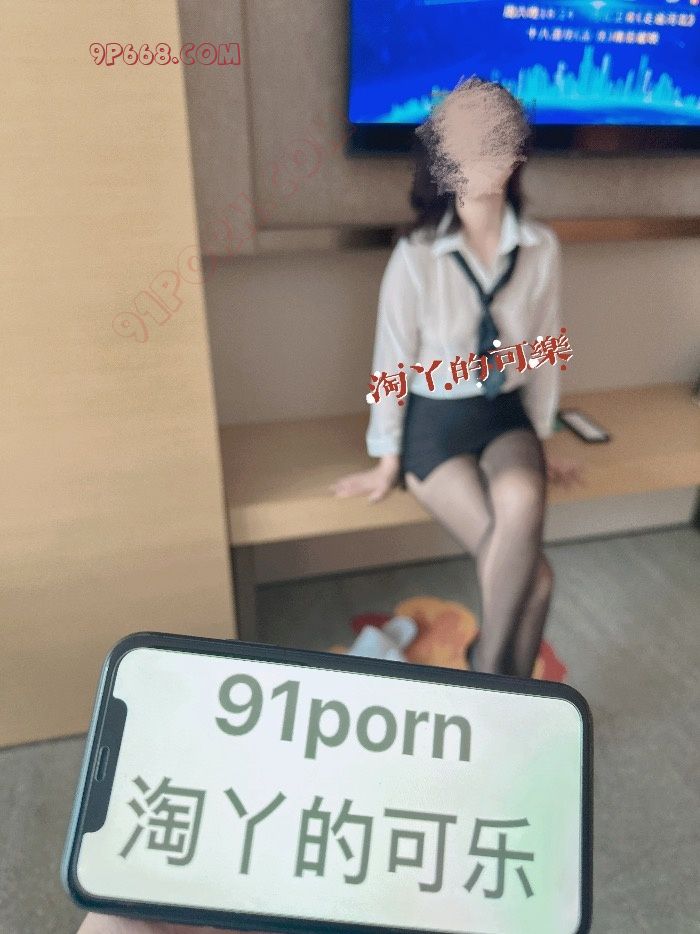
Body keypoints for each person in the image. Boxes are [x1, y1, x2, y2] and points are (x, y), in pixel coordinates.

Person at [332, 77, 581, 679]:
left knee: (523, 498)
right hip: (435, 422)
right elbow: (391, 365)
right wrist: (387, 458)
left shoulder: (541, 247)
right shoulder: (417, 256)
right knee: (537, 581)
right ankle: (502, 685)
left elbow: (542, 352)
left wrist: (542, 437)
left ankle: (485, 678)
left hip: (505, 413)